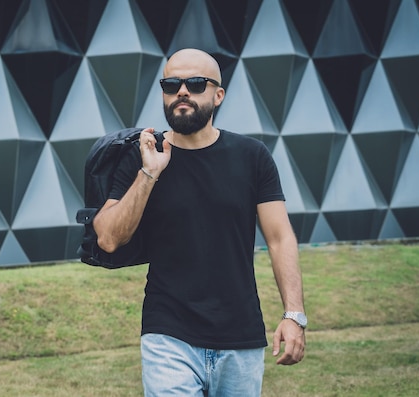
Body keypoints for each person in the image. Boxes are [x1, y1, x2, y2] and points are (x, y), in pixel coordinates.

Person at [93, 48, 306, 396]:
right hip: (168, 334)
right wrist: (149, 173)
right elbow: (108, 239)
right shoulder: (142, 155)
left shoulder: (252, 156)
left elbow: (280, 237)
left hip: (241, 336)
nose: (182, 92)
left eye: (194, 83)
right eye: (171, 84)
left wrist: (294, 314)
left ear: (218, 95)